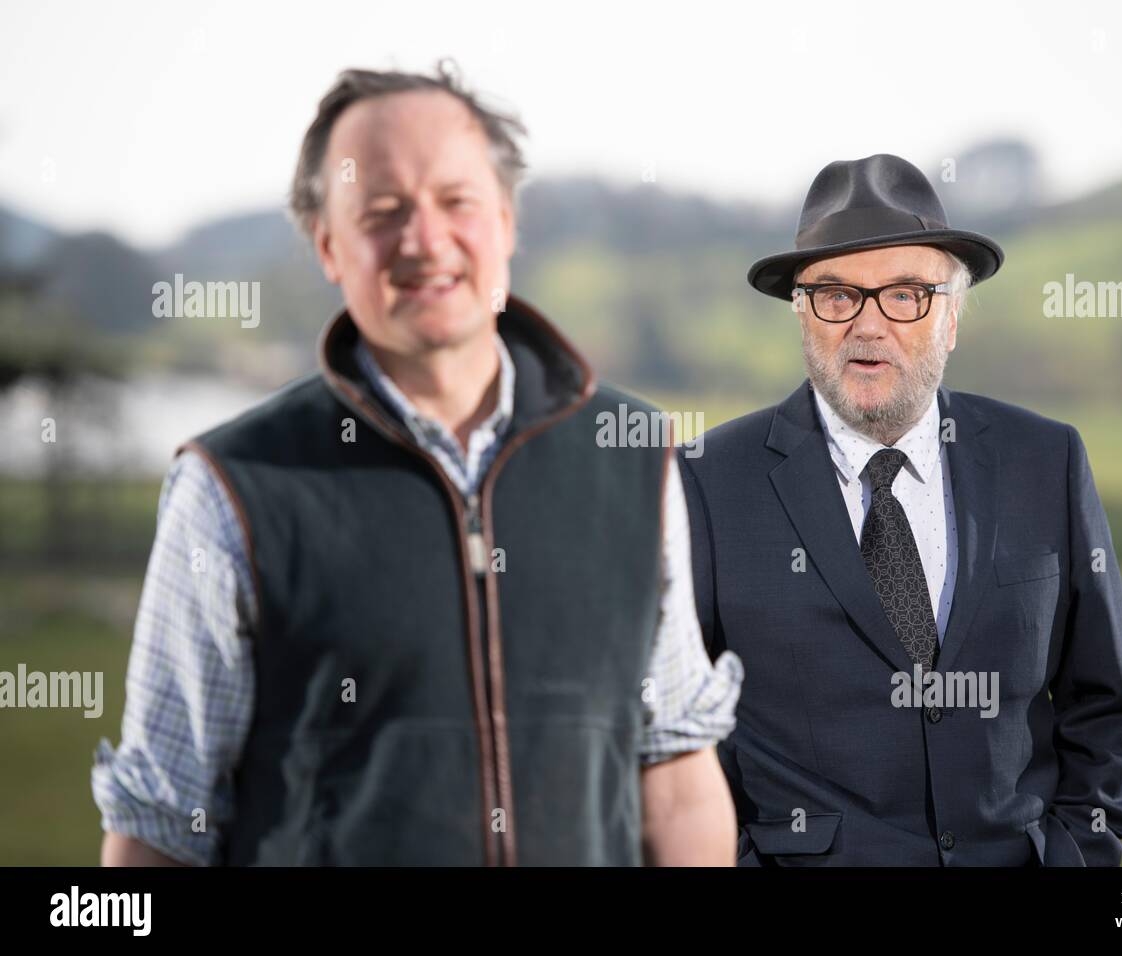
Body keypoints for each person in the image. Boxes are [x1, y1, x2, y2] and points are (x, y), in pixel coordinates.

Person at [93, 63, 742, 866]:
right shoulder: (233, 488)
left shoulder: (633, 459)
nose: (424, 239)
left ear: (505, 221)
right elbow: (162, 818)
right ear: (329, 246)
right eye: (383, 210)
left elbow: (676, 775)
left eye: (456, 201)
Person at [680, 154, 1122, 865]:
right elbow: (676, 732)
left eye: (906, 295)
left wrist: (1073, 853)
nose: (868, 326)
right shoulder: (707, 482)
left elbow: (1107, 710)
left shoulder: (1045, 461)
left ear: (953, 317)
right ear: (802, 314)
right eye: (836, 296)